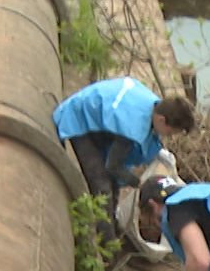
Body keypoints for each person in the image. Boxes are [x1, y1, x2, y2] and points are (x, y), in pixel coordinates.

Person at [53, 77, 195, 200]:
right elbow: (113, 167)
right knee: (103, 189)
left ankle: (113, 226)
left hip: (99, 124)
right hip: (79, 118)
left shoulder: (154, 106)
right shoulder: (132, 126)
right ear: (161, 120)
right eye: (169, 133)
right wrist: (140, 184)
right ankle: (99, 229)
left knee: (114, 184)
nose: (166, 137)